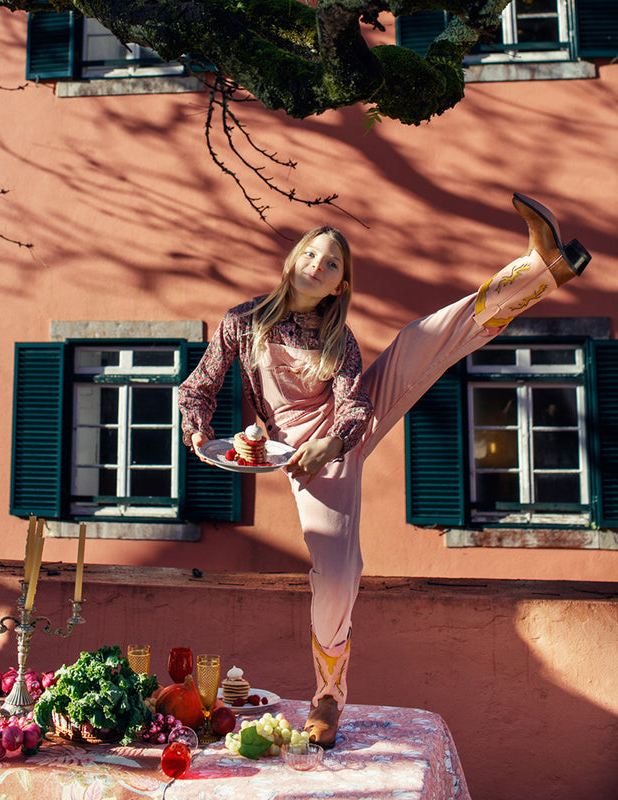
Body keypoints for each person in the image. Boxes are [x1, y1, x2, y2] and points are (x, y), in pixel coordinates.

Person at [178, 193, 591, 748]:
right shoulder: (241, 323)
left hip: (340, 435)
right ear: (293, 259)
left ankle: (542, 269)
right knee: (336, 567)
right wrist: (198, 430)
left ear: (339, 286)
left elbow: (353, 405)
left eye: (332, 265)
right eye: (312, 255)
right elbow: (200, 385)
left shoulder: (339, 339)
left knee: (423, 339)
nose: (318, 266)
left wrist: (336, 441)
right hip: (297, 453)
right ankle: (330, 695)